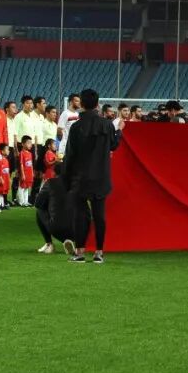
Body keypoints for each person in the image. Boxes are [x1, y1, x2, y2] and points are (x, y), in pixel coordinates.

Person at [62, 88, 122, 264]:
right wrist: (119, 131)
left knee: (80, 215)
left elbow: (70, 155)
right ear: (97, 104)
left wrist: (66, 178)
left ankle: (80, 252)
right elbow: (114, 145)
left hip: (80, 177)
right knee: (99, 216)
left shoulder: (76, 127)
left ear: (81, 103)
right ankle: (99, 252)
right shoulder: (107, 125)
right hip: (101, 176)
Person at [34, 162, 76, 254]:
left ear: (54, 172)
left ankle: (49, 244)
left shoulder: (50, 183)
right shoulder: (75, 183)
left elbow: (38, 203)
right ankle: (75, 242)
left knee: (39, 210)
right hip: (76, 227)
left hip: (56, 228)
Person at [18, 137, 35, 207]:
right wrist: (22, 174)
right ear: (23, 144)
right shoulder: (21, 153)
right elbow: (21, 164)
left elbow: (31, 164)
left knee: (27, 187)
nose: (30, 145)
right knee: (22, 187)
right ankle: (21, 202)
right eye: (28, 143)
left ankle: (26, 201)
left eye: (31, 143)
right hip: (24, 173)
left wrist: (32, 172)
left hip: (29, 173)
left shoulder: (30, 154)